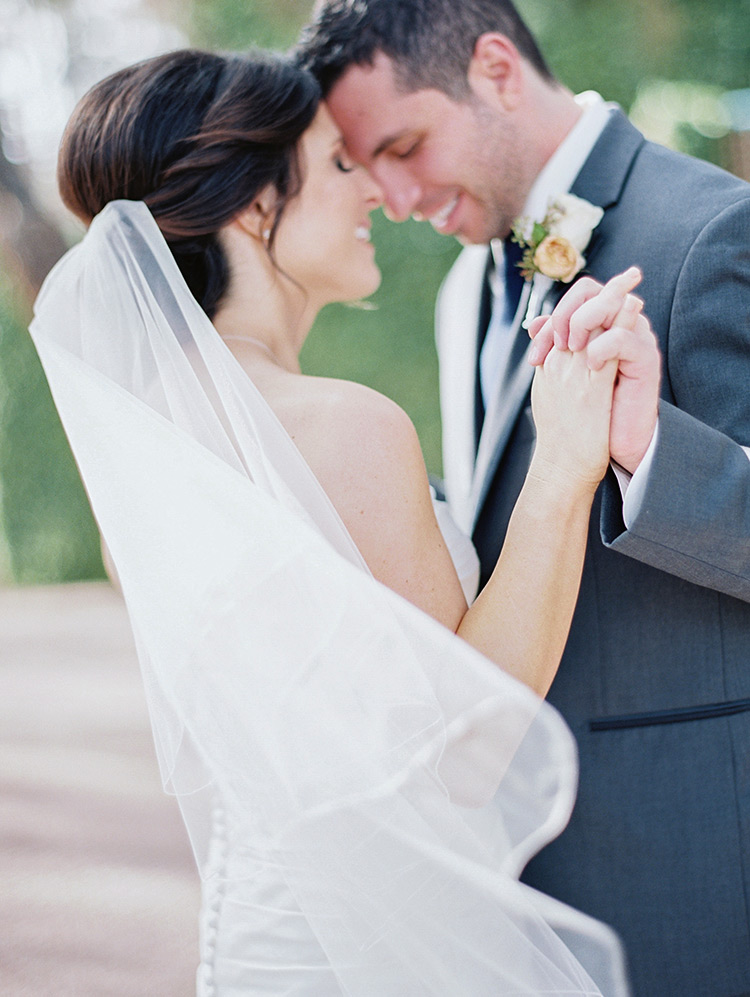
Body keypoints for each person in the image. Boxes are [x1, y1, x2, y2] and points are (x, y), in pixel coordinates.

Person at [29, 48, 655, 995]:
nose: (374, 192)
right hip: (377, 952)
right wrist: (565, 465)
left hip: (260, 938)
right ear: (254, 207)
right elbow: (469, 751)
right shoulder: (342, 426)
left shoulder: (148, 441)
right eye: (338, 163)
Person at [298, 2, 750, 994]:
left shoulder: (710, 232)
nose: (399, 197)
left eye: (406, 146)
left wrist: (650, 453)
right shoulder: (466, 290)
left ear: (496, 68)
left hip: (692, 859)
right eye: (371, 169)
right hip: (520, 870)